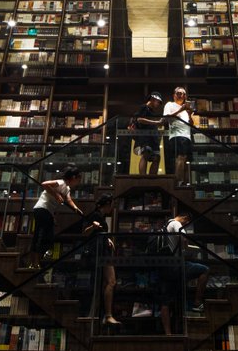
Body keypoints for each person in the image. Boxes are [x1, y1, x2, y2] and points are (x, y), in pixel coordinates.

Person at [24, 165, 82, 270]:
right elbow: (44, 184)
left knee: (48, 237)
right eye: (78, 180)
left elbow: (69, 200)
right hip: (42, 209)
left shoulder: (67, 188)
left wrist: (76, 208)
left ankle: (36, 260)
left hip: (48, 212)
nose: (78, 183)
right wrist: (56, 195)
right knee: (40, 235)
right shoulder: (61, 182)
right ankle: (34, 262)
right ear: (73, 178)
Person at [159, 213, 210, 334]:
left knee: (165, 302)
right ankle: (197, 302)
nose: (185, 226)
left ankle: (168, 334)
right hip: (175, 266)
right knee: (205, 270)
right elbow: (184, 239)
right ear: (185, 219)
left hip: (164, 268)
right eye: (186, 224)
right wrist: (189, 248)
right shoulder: (176, 223)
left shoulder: (165, 226)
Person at [83, 193, 120, 324]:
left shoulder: (101, 217)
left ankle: (98, 314)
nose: (112, 208)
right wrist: (93, 227)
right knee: (111, 281)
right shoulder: (95, 215)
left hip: (103, 250)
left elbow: (98, 233)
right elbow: (85, 232)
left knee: (105, 283)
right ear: (107, 204)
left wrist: (107, 238)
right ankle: (107, 315)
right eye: (112, 205)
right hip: (100, 252)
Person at [164, 87, 195, 187]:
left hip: (187, 136)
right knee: (180, 157)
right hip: (177, 135)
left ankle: (186, 183)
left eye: (183, 93)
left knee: (186, 160)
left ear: (185, 96)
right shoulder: (170, 104)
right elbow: (166, 118)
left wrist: (189, 114)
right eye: (178, 93)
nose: (181, 95)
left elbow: (192, 124)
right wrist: (180, 110)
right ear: (174, 95)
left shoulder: (187, 110)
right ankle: (178, 183)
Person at [129, 92, 164, 175]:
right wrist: (156, 122)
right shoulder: (144, 107)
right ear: (152, 99)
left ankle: (151, 179)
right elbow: (140, 119)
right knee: (146, 153)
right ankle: (143, 178)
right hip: (145, 138)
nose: (158, 104)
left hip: (152, 138)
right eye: (157, 101)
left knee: (157, 157)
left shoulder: (152, 111)